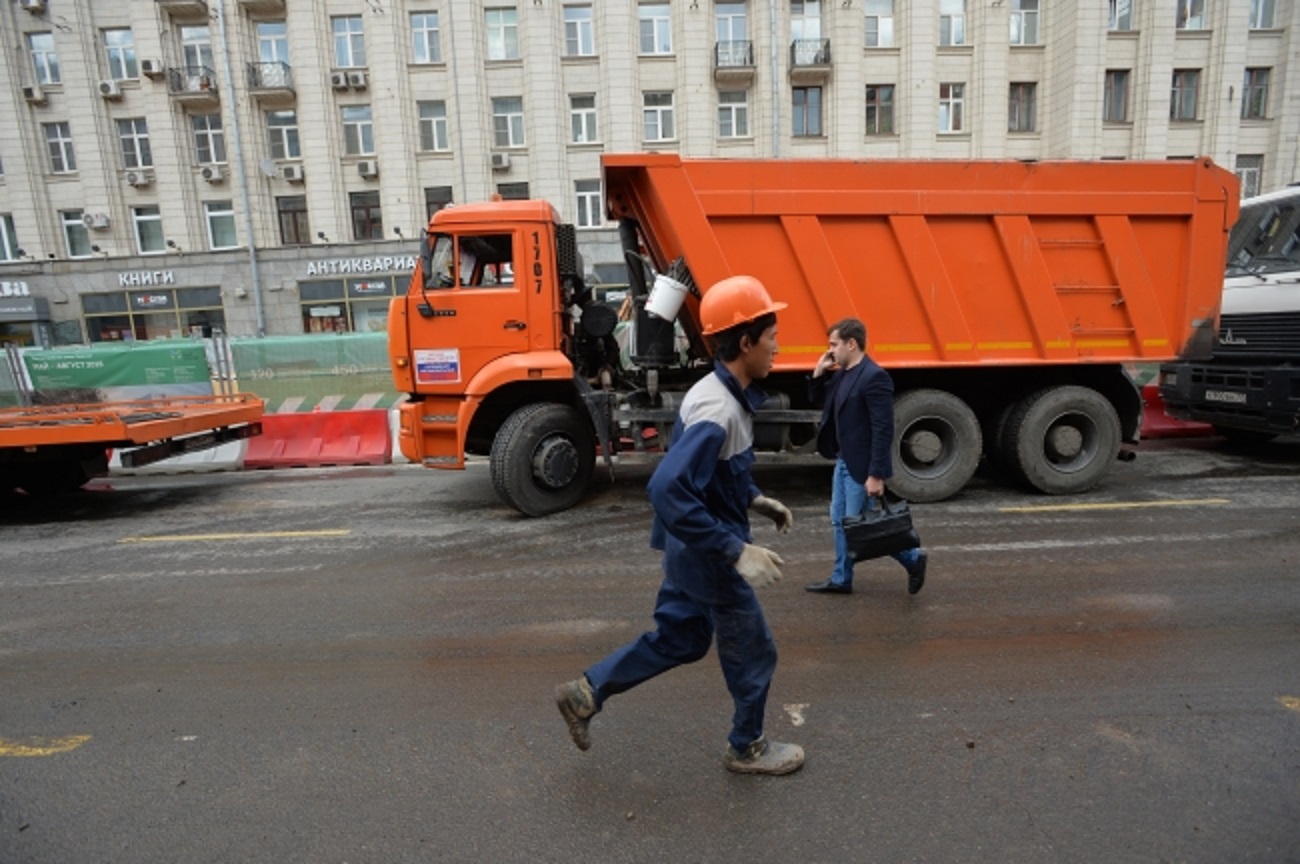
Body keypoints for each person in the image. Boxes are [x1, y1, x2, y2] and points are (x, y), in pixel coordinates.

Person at [554, 275, 805, 776]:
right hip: (710, 556)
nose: (778, 346)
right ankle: (747, 746)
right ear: (746, 341)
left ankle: (586, 692)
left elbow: (713, 473)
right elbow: (668, 488)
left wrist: (755, 499)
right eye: (772, 335)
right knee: (754, 650)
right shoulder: (718, 407)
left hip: (688, 548)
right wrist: (736, 551)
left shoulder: (716, 390)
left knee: (681, 640)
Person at [804, 317, 927, 596]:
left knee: (860, 527)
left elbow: (883, 429)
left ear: (852, 343)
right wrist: (818, 373)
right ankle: (841, 578)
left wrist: (876, 474)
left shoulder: (874, 377)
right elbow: (820, 401)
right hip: (843, 459)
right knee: (840, 521)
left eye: (834, 345)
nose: (830, 351)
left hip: (861, 465)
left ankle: (913, 558)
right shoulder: (843, 374)